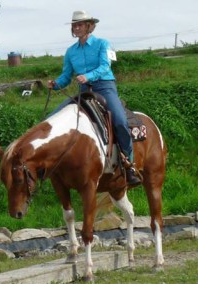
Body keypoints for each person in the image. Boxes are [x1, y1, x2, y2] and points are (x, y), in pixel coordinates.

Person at [47, 10, 141, 186]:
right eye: (74, 25)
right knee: (53, 116)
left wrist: (88, 76)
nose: (76, 27)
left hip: (104, 87)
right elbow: (66, 76)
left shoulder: (102, 44)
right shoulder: (70, 52)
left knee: (120, 121)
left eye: (80, 24)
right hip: (84, 90)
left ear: (89, 26)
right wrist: (56, 84)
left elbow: (105, 66)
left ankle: (129, 165)